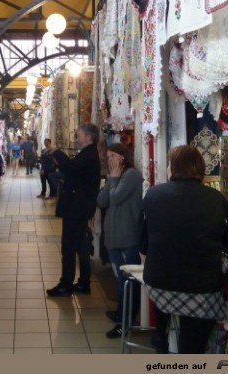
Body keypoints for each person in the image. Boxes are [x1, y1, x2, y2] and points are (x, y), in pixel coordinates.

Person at [139, 145, 228, 353]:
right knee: (193, 343)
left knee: (165, 292)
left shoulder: (153, 195)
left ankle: (161, 335)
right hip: (202, 287)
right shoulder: (215, 198)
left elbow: (142, 241)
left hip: (160, 283)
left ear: (174, 168)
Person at [46, 123, 101, 297]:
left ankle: (65, 285)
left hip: (77, 208)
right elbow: (72, 171)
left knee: (69, 246)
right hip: (79, 207)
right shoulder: (88, 154)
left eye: (78, 135)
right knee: (80, 245)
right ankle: (84, 282)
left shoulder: (89, 155)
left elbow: (70, 168)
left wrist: (56, 151)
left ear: (89, 137)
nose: (76, 138)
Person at [96, 143, 143, 339]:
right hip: (114, 237)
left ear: (123, 157)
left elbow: (115, 198)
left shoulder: (131, 175)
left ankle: (125, 322)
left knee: (128, 282)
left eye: (114, 155)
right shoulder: (115, 177)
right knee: (119, 279)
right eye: (108, 157)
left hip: (127, 237)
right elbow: (102, 201)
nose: (110, 160)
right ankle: (120, 313)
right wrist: (111, 181)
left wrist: (113, 180)